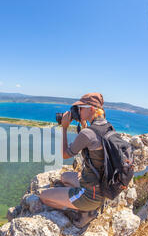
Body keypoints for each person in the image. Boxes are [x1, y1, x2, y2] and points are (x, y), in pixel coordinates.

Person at [39, 92, 107, 228]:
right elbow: (92, 140)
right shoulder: (106, 127)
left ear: (91, 109)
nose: (78, 111)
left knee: (43, 196)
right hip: (102, 188)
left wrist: (64, 128)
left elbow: (65, 154)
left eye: (81, 107)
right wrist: (83, 122)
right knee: (64, 177)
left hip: (90, 195)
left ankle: (84, 211)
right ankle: (86, 204)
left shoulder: (87, 133)